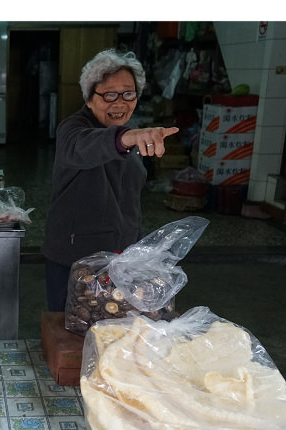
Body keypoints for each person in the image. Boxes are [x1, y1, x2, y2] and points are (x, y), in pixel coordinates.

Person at [42, 49, 179, 312]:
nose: (119, 103)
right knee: (72, 332)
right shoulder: (73, 130)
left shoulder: (131, 137)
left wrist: (139, 254)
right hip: (75, 260)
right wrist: (126, 138)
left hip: (119, 260)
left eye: (128, 94)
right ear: (90, 98)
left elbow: (128, 204)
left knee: (110, 332)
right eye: (109, 95)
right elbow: (88, 147)